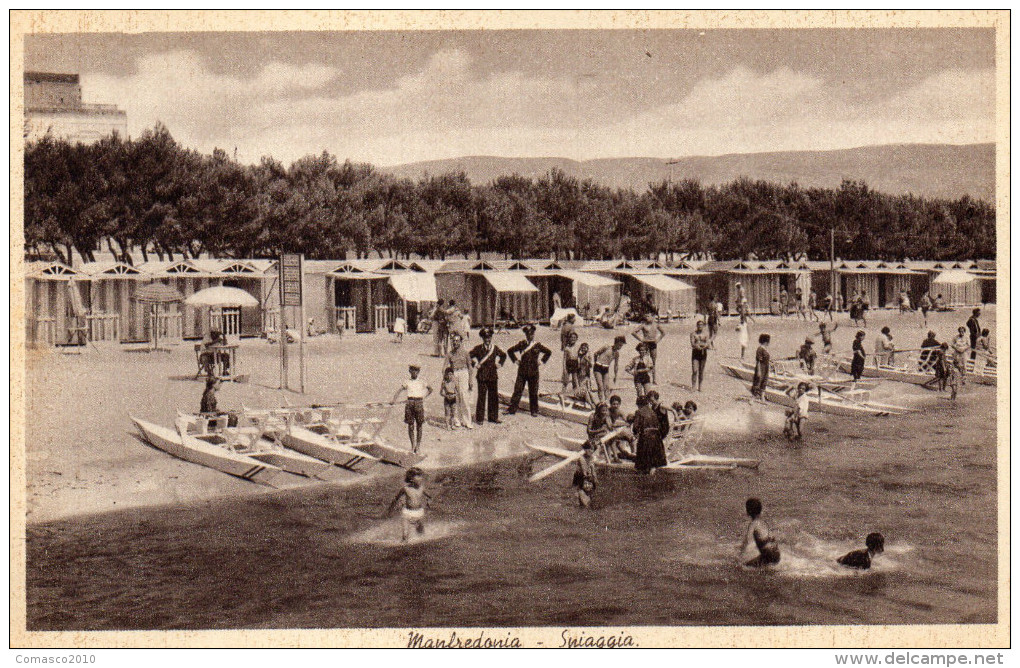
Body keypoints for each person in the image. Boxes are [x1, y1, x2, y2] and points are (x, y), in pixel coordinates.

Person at [506, 324, 553, 417]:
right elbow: (510, 351)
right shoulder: (522, 344)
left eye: (531, 334)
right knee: (518, 390)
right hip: (522, 371)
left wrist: (541, 362)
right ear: (525, 335)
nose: (530, 336)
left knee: (533, 392)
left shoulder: (537, 345)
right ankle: (512, 409)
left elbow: (548, 352)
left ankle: (534, 410)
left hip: (533, 372)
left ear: (534, 334)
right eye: (528, 334)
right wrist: (516, 361)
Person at [392, 364, 433, 454]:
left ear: (418, 372)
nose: (414, 372)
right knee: (410, 425)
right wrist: (394, 400)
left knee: (419, 425)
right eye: (412, 370)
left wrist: (423, 397)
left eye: (416, 371)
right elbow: (399, 390)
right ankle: (412, 445)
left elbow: (430, 389)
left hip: (419, 403)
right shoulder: (407, 381)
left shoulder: (422, 381)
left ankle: (418, 447)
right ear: (410, 371)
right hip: (409, 403)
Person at [470, 327, 506, 424]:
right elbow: (469, 356)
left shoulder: (495, 348)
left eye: (489, 337)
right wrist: (475, 364)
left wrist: (500, 364)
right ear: (482, 338)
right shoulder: (478, 348)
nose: (487, 340)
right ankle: (480, 418)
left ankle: (493, 417)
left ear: (491, 338)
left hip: (493, 375)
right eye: (485, 338)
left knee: (493, 397)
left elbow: (503, 355)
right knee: (481, 397)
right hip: (482, 376)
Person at [387, 467, 430, 542]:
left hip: (419, 513)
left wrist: (428, 502)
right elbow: (396, 499)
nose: (421, 478)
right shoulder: (405, 488)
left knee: (422, 535)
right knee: (405, 536)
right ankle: (402, 548)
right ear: (411, 478)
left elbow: (430, 497)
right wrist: (390, 510)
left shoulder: (422, 488)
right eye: (418, 476)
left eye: (421, 476)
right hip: (407, 513)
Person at [632, 390, 668, 474]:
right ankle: (652, 468)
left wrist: (635, 433)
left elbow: (635, 427)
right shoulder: (652, 412)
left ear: (638, 405)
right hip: (656, 437)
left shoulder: (639, 412)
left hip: (646, 437)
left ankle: (644, 469)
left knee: (642, 455)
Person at [740, 498, 780, 568]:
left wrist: (741, 554)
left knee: (744, 566)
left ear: (748, 511)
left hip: (768, 556)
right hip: (776, 553)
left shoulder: (753, 524)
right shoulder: (763, 522)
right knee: (759, 562)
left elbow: (747, 541)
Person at [446, 333, 475, 429]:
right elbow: (447, 367)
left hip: (464, 373)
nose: (455, 342)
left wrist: (470, 379)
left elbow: (470, 367)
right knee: (456, 397)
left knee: (464, 397)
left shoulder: (466, 353)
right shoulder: (450, 354)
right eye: (454, 341)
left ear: (461, 342)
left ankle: (467, 421)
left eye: (457, 341)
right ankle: (457, 420)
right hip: (454, 374)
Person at [631, 314, 665, 383]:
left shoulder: (656, 325)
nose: (646, 318)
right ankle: (643, 376)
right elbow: (633, 332)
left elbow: (663, 333)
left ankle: (654, 379)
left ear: (652, 317)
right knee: (644, 360)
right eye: (645, 316)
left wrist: (658, 340)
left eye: (648, 316)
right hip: (645, 343)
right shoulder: (643, 325)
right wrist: (641, 339)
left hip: (653, 343)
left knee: (653, 361)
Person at [592, 336, 625, 403]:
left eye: (621, 345)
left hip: (606, 368)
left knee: (607, 387)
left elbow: (616, 365)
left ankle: (606, 402)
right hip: (598, 366)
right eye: (619, 345)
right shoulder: (607, 347)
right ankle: (601, 402)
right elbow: (596, 353)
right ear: (616, 343)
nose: (620, 347)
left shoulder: (617, 354)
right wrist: (596, 362)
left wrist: (615, 376)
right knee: (600, 386)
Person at [606, 394, 636, 460]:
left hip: (613, 429)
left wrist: (631, 419)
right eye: (614, 404)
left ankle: (634, 454)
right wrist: (623, 424)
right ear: (611, 404)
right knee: (613, 439)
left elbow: (627, 422)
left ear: (619, 404)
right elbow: (610, 425)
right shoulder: (607, 412)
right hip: (606, 429)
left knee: (631, 437)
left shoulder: (620, 411)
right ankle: (616, 457)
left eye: (617, 404)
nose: (616, 406)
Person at [572, 441, 599, 508]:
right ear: (585, 449)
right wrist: (588, 477)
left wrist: (595, 477)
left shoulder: (592, 457)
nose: (591, 451)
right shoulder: (581, 458)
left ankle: (587, 497)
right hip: (580, 477)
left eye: (592, 449)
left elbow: (592, 468)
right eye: (589, 449)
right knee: (581, 493)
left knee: (591, 491)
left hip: (586, 476)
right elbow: (584, 471)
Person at [690, 319, 710, 392]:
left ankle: (700, 386)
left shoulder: (706, 334)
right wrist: (697, 346)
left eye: (701, 325)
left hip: (703, 353)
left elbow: (708, 343)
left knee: (701, 371)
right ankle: (693, 386)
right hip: (695, 353)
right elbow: (692, 343)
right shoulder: (693, 334)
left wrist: (704, 346)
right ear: (697, 326)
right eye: (699, 325)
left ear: (703, 326)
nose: (700, 326)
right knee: (695, 370)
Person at [750, 334, 771, 400]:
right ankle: (753, 398)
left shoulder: (765, 349)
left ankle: (762, 397)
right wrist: (758, 371)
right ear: (766, 341)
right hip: (761, 367)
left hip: (766, 367)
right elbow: (758, 361)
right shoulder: (760, 349)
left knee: (764, 381)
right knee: (758, 381)